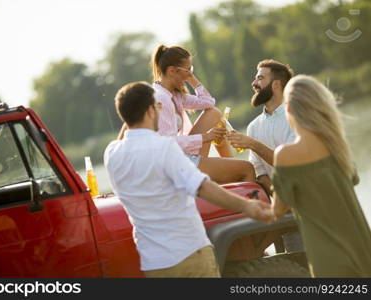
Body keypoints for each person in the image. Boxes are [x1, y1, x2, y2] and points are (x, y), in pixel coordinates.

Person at [105, 81, 274, 278]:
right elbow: (204, 188)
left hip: (153, 264)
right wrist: (247, 206)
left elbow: (127, 133)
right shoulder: (165, 148)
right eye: (158, 106)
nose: (160, 110)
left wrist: (133, 110)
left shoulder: (112, 153)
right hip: (189, 253)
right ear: (150, 110)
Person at [272, 75, 371, 277]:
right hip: (364, 253)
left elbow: (277, 211)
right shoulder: (337, 145)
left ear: (288, 109)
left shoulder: (285, 155)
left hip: (330, 263)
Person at [150, 45, 255, 184]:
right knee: (247, 168)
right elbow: (166, 144)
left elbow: (209, 102)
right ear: (171, 71)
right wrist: (206, 137)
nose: (190, 74)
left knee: (214, 114)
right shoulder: (160, 98)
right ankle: (232, 175)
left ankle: (229, 166)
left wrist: (192, 80)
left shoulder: (174, 95)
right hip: (173, 164)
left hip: (181, 156)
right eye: (188, 70)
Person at [227, 59, 295, 192]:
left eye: (260, 78)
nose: (253, 84)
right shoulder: (253, 127)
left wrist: (252, 144)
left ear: (276, 84)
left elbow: (289, 162)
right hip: (282, 205)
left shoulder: (297, 117)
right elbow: (260, 173)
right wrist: (280, 198)